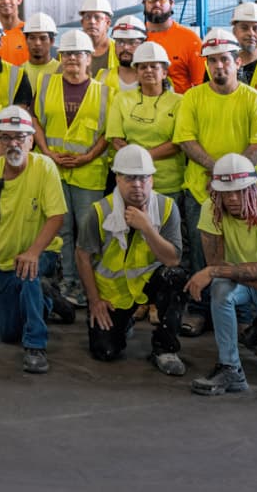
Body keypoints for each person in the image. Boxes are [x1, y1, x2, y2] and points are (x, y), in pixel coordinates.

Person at [172, 27, 257, 336]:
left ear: (238, 61)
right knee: (204, 252)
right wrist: (220, 173)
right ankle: (200, 309)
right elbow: (186, 139)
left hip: (243, 196)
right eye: (212, 61)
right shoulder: (193, 98)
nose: (218, 66)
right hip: (199, 191)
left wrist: (229, 180)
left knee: (241, 254)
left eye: (224, 60)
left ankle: (241, 312)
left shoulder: (254, 100)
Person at [0, 105, 68, 375]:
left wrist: (33, 252)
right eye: (6, 138)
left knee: (28, 271)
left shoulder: (45, 167)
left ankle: (35, 346)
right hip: (0, 261)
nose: (13, 143)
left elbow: (56, 216)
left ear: (32, 141)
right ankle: (47, 300)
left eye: (20, 137)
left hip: (41, 252)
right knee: (8, 334)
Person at [74, 144, 187, 375]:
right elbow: (82, 257)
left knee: (175, 277)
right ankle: (123, 323)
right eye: (130, 178)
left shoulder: (166, 208)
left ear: (152, 180)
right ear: (117, 179)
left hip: (149, 283)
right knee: (105, 351)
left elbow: (173, 260)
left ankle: (165, 348)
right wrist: (95, 301)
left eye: (143, 178)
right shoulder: (99, 212)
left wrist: (147, 227)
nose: (137, 185)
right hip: (113, 294)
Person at [190, 153, 257, 394]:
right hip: (243, 284)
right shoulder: (210, 209)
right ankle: (230, 368)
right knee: (220, 290)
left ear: (253, 188)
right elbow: (216, 262)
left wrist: (213, 271)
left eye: (239, 191)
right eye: (226, 193)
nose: (232, 198)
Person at [32, 28, 110, 306]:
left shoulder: (104, 92)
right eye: (67, 54)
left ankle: (90, 283)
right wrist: (45, 151)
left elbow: (108, 133)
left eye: (79, 54)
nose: (72, 59)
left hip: (89, 172)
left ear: (90, 58)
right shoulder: (44, 84)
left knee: (88, 229)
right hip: (53, 169)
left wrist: (88, 157)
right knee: (61, 228)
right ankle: (68, 280)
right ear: (60, 57)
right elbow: (36, 121)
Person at [106, 41, 184, 203]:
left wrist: (141, 159)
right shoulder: (122, 99)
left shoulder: (179, 102)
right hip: (130, 184)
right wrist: (137, 166)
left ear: (164, 73)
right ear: (137, 73)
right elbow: (116, 139)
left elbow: (178, 143)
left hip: (167, 184)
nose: (148, 70)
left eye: (154, 66)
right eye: (142, 67)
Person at [142, 0, 203, 94]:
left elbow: (201, 86)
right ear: (144, 3)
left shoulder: (190, 40)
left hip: (180, 109)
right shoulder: (137, 38)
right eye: (151, 0)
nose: (157, 4)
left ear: (171, 3)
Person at [96, 15, 147, 92]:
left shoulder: (157, 80)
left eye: (132, 42)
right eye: (120, 42)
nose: (126, 47)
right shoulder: (103, 77)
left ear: (143, 44)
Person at [79, 0, 119, 76]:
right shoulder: (66, 52)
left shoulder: (119, 51)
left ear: (107, 23)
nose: (92, 22)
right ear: (82, 23)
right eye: (87, 17)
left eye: (97, 17)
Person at [20, 12, 59, 89]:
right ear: (26, 40)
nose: (37, 43)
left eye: (43, 38)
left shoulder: (61, 71)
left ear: (52, 41)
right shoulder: (17, 73)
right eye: (32, 38)